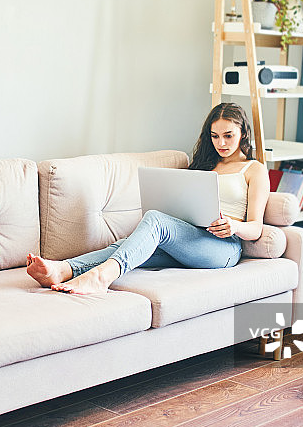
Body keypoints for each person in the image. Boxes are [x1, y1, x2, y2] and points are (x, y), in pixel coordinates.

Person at [26, 102, 270, 295]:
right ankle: (63, 269)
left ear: (242, 132)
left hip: (223, 248)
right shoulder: (205, 166)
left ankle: (101, 278)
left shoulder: (253, 169)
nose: (221, 143)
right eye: (215, 136)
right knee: (129, 244)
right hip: (191, 239)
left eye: (228, 135)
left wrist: (234, 226)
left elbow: (256, 228)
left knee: (155, 220)